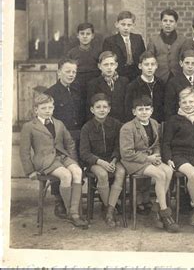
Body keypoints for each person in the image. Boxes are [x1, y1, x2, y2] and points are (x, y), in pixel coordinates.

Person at [19, 93, 87, 228]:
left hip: (62, 157)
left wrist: (73, 160)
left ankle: (73, 211)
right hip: (44, 160)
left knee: (77, 172)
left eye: (50, 107)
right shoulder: (29, 126)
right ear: (36, 110)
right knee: (66, 175)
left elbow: (70, 143)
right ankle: (73, 214)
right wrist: (30, 171)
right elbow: (24, 151)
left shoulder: (59, 123)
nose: (47, 111)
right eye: (43, 108)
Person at [120, 95, 178, 232]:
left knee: (169, 171)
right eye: (140, 109)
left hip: (150, 158)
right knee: (159, 175)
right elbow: (126, 153)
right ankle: (165, 214)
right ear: (134, 112)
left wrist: (156, 156)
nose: (144, 112)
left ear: (151, 110)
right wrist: (148, 159)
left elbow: (156, 144)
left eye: (147, 109)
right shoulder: (127, 128)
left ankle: (156, 207)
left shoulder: (154, 123)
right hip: (134, 161)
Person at [162, 87, 194, 228]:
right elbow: (166, 142)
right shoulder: (174, 120)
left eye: (191, 101)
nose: (188, 105)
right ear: (180, 104)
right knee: (192, 175)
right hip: (179, 155)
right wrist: (168, 158)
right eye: (184, 102)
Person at [45, 58, 86, 218]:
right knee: (60, 169)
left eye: (74, 72)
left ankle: (74, 201)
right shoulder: (51, 93)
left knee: (79, 168)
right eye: (67, 71)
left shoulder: (78, 90)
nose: (71, 74)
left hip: (78, 135)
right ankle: (59, 201)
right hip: (59, 139)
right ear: (59, 72)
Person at [80, 93, 125, 227]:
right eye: (98, 107)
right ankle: (109, 208)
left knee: (121, 173)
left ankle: (109, 211)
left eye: (105, 107)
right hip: (95, 162)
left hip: (113, 160)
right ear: (92, 110)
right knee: (102, 174)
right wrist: (100, 162)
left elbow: (119, 146)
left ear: (109, 109)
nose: (102, 110)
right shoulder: (87, 128)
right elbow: (84, 153)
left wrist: (114, 159)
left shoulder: (116, 124)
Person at [103, 10, 146, 82]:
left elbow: (143, 57)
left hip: (136, 74)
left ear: (133, 25)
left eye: (129, 25)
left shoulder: (138, 38)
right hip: (118, 75)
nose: (126, 28)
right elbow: (107, 60)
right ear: (117, 24)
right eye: (123, 24)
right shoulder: (110, 41)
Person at [87, 51, 129, 123]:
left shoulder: (124, 82)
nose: (109, 67)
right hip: (103, 122)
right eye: (106, 65)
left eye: (112, 64)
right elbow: (90, 107)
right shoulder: (93, 84)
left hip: (121, 121)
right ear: (99, 66)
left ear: (116, 65)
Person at [124, 51, 165, 123]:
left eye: (152, 64)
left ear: (156, 66)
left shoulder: (161, 84)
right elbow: (128, 111)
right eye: (146, 64)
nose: (150, 67)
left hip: (157, 123)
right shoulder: (133, 86)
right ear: (140, 66)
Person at [147, 8, 185, 83]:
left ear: (176, 24)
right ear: (161, 23)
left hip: (177, 77)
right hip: (159, 78)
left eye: (171, 21)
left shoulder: (182, 40)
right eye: (165, 21)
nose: (168, 23)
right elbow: (149, 60)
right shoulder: (153, 40)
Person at [164, 49, 194, 120]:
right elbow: (169, 108)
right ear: (181, 63)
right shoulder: (173, 82)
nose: (190, 66)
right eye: (187, 63)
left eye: (193, 63)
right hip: (180, 120)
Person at [66, 23, 101, 94]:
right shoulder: (72, 53)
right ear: (78, 36)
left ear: (92, 36)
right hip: (76, 88)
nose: (85, 36)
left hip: (94, 88)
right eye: (82, 34)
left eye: (88, 34)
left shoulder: (98, 53)